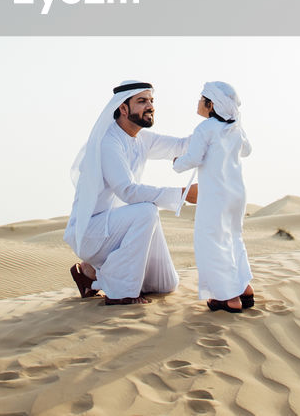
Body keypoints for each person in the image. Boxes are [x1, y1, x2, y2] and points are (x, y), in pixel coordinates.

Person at [65, 81, 199, 306]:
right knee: (146, 210)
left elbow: (182, 146)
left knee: (167, 284)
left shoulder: (142, 139)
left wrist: (218, 126)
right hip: (92, 232)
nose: (150, 106)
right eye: (142, 101)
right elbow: (127, 190)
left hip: (119, 228)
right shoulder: (109, 142)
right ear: (123, 108)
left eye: (151, 101)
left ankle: (91, 275)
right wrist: (183, 194)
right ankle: (120, 292)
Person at [172, 81, 254, 313]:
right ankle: (244, 288)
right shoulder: (235, 128)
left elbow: (194, 158)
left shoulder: (206, 129)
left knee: (212, 243)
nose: (198, 102)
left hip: (216, 196)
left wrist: (177, 164)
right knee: (233, 238)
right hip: (237, 195)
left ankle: (228, 298)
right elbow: (247, 150)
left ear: (211, 105)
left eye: (201, 98)